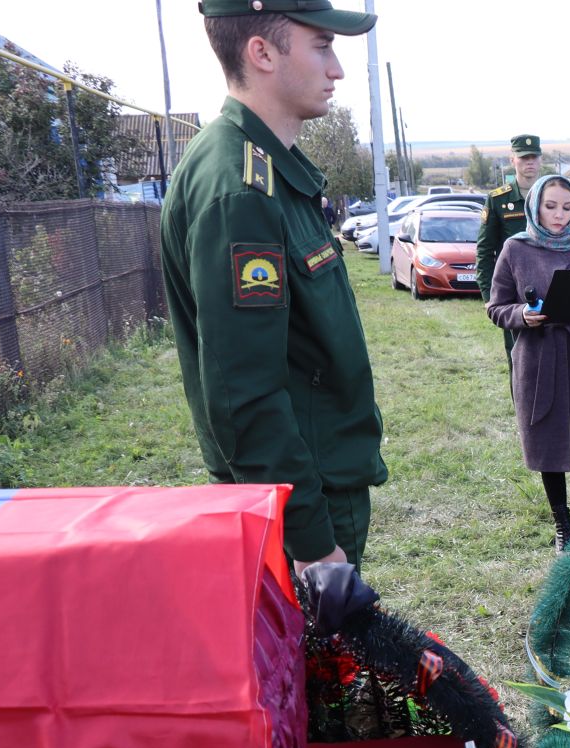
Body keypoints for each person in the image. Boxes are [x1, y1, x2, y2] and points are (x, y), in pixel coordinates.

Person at [162, 0, 384, 573]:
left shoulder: (265, 166)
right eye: (322, 45)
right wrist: (313, 548)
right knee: (304, 666)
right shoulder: (241, 188)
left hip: (305, 488)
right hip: (297, 505)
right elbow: (246, 395)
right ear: (261, 52)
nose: (336, 69)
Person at [488, 174, 570, 553]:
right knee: (550, 443)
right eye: (551, 206)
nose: (560, 215)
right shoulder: (515, 248)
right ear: (535, 207)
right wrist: (521, 316)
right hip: (538, 360)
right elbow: (496, 307)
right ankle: (562, 525)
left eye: (567, 207)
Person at [476, 134, 542, 359]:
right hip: (513, 292)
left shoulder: (552, 195)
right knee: (519, 357)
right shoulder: (497, 200)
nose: (529, 162)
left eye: (534, 157)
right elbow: (485, 252)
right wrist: (489, 298)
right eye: (523, 158)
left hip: (550, 286)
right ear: (512, 160)